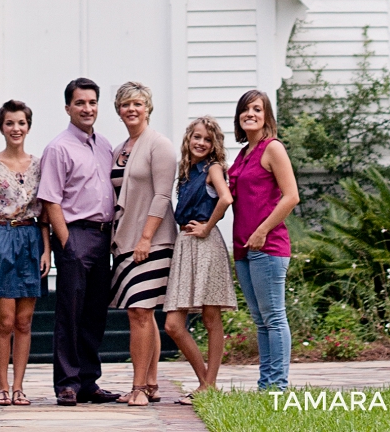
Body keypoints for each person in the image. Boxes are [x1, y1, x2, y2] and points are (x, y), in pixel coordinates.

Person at [38, 77, 122, 407]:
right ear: (67, 108)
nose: (87, 109)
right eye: (80, 103)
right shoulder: (58, 148)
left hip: (104, 237)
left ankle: (89, 381)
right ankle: (67, 383)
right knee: (70, 312)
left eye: (92, 103)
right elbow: (50, 200)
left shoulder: (105, 146)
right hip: (75, 235)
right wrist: (66, 243)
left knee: (94, 313)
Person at [109, 81, 177, 408]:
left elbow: (163, 195)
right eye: (125, 104)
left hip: (152, 242)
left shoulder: (159, 145)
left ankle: (137, 388)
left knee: (139, 311)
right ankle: (151, 382)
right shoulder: (120, 147)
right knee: (143, 314)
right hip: (124, 242)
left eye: (138, 103)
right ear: (118, 110)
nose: (131, 109)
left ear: (148, 107)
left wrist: (146, 237)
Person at [228, 89, 300, 393]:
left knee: (273, 317)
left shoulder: (273, 149)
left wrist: (262, 230)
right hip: (244, 248)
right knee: (260, 320)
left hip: (267, 247)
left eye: (257, 109)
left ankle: (278, 386)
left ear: (266, 116)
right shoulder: (243, 154)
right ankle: (265, 384)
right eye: (246, 109)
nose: (251, 114)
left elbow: (291, 196)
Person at [0, 99, 51, 406]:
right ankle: (1, 386)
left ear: (28, 126)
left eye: (21, 123)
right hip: (2, 233)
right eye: (10, 123)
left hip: (31, 236)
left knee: (24, 321)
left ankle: (20, 387)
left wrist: (46, 249)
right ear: (1, 127)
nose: (16, 128)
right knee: (5, 320)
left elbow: (46, 211)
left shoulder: (39, 165)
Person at [163, 117, 236, 400]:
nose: (201, 143)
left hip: (205, 243)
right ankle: (206, 383)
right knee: (173, 325)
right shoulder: (186, 172)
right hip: (185, 244)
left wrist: (206, 227)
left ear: (214, 144)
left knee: (210, 317)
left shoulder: (213, 169)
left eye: (207, 139)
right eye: (197, 137)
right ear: (188, 139)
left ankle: (209, 384)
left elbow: (226, 198)